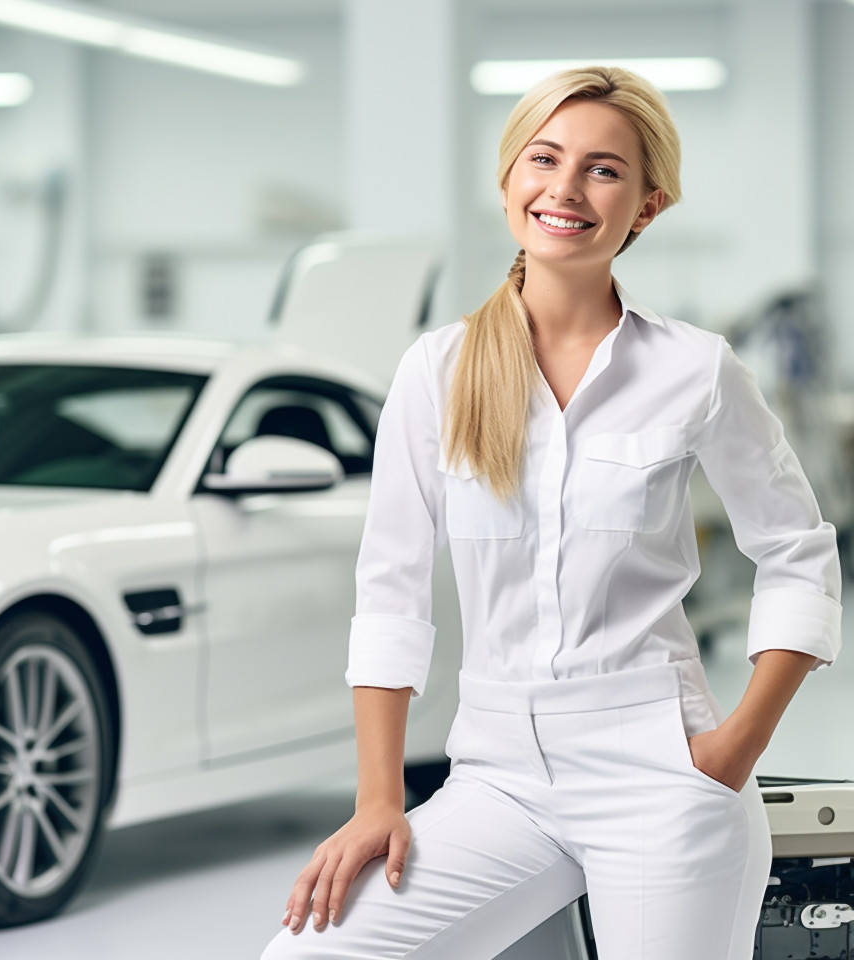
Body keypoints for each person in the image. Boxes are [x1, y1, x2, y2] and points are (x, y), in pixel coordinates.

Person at [258, 65, 843, 960]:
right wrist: (379, 798)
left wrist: (731, 752)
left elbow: (798, 553)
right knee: (312, 952)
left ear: (646, 206)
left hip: (662, 770)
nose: (565, 189)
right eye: (545, 158)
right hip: (496, 776)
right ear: (508, 182)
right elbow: (389, 595)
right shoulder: (438, 372)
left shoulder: (696, 369)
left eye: (604, 170)